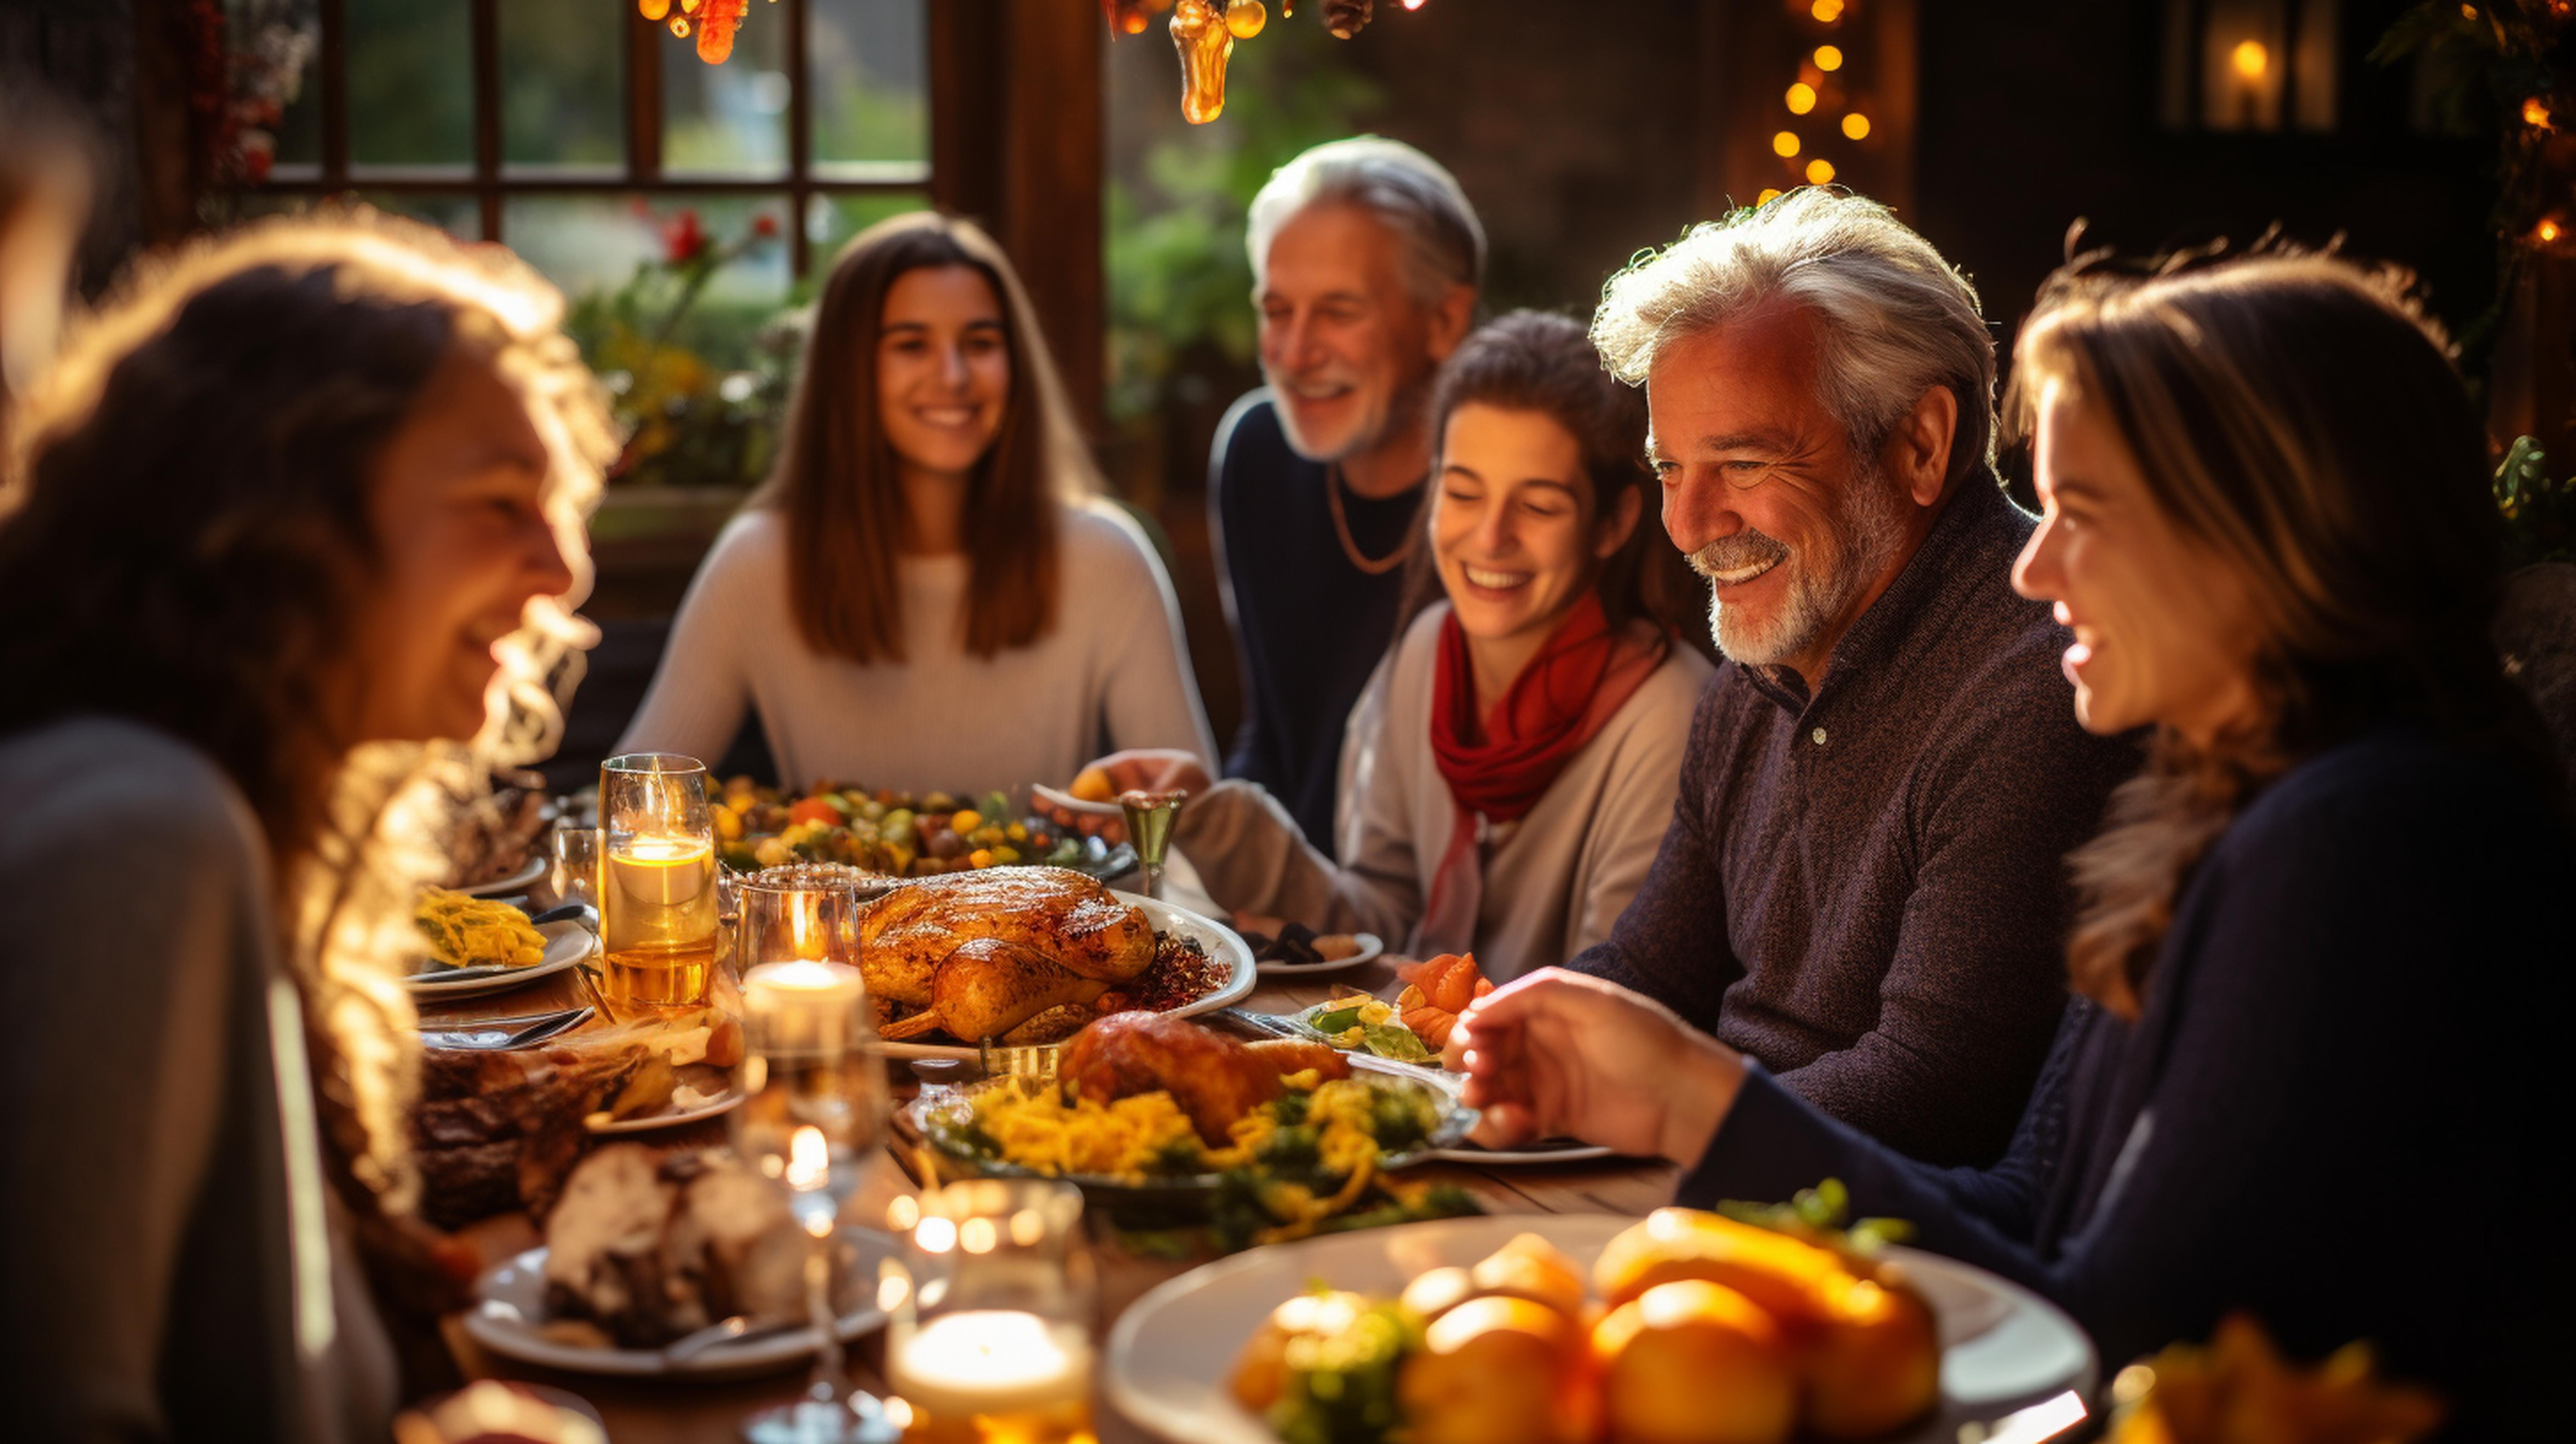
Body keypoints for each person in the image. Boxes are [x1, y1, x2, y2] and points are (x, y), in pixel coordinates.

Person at [1448, 249, 2574, 1436]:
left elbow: (2111, 1336)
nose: (2035, 563)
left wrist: (1698, 1107)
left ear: (2272, 536)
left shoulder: (2361, 843)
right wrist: (1681, 1103)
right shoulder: (2221, 809)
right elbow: (2026, 1215)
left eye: (2084, 514)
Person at [0, 213, 609, 1442]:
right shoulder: (136, 838)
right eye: (499, 503)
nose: (562, 573)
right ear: (281, 514)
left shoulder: (210, 809)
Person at [1552, 190, 2137, 1167]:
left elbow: (1932, 1096)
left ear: (1919, 445)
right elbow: (1652, 973)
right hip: (1717, 1184)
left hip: (1869, 1252)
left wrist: (1649, 1123)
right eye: (1669, 470)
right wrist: (1495, 1051)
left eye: (1741, 462)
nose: (1690, 526)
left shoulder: (2047, 682)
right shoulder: (1767, 652)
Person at [1092, 312, 1715, 976]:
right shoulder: (1426, 651)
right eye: (1463, 493)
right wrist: (1215, 818)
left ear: (1613, 523)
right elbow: (1376, 924)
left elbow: (1611, 1001)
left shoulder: (1667, 715)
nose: (1489, 537)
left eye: (1538, 507)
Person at [617, 212, 1213, 793]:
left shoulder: (1106, 558)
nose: (953, 375)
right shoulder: (758, 562)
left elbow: (1193, 830)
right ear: (847, 373)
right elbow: (628, 810)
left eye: (980, 343)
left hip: (1048, 897)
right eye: (911, 345)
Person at [1211, 136, 1483, 852]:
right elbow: (1273, 739)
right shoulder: (1256, 452)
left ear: (1444, 322)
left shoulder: (1504, 503)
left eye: (1338, 311)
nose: (1296, 353)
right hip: (1298, 924)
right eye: (1276, 310)